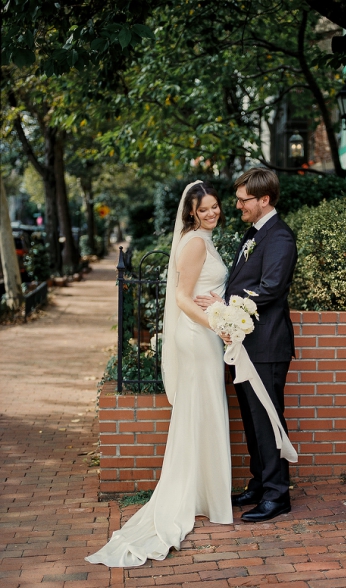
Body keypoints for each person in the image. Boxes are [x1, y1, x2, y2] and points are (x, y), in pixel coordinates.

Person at [87, 181, 233, 567]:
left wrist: (221, 308)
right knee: (202, 412)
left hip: (205, 332)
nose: (213, 213)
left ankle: (205, 494)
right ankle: (202, 497)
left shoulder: (200, 238)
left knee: (203, 413)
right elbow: (183, 299)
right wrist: (217, 324)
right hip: (198, 336)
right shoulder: (195, 244)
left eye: (216, 207)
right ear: (191, 213)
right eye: (205, 210)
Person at [198, 168, 300, 523]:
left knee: (268, 420)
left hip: (266, 345)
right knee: (252, 420)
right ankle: (260, 483)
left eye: (244, 200)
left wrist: (226, 308)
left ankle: (277, 495)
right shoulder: (255, 232)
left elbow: (269, 288)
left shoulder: (280, 238)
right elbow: (245, 282)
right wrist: (221, 300)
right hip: (245, 344)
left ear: (264, 200)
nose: (237, 205)